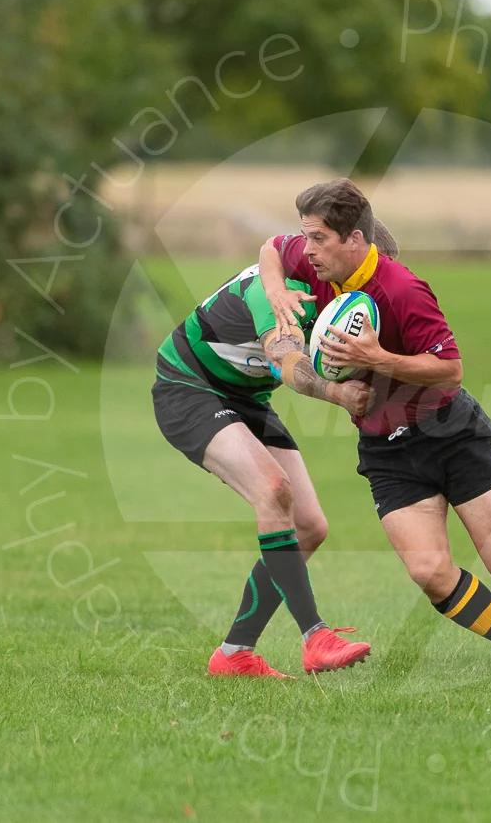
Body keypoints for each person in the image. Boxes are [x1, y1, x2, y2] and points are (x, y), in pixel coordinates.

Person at [257, 178, 491, 677]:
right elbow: (271, 250)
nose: (308, 249)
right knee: (429, 572)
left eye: (319, 238)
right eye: (306, 236)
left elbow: (450, 369)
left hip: (450, 433)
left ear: (354, 240)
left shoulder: (403, 290)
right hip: (386, 448)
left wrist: (378, 358)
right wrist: (276, 291)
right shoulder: (314, 261)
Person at [152, 222, 403, 678]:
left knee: (309, 525)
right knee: (274, 490)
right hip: (187, 387)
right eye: (372, 274)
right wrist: (340, 395)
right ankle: (315, 637)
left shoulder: (343, 299)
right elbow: (287, 362)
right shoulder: (281, 292)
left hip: (247, 397)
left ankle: (234, 653)